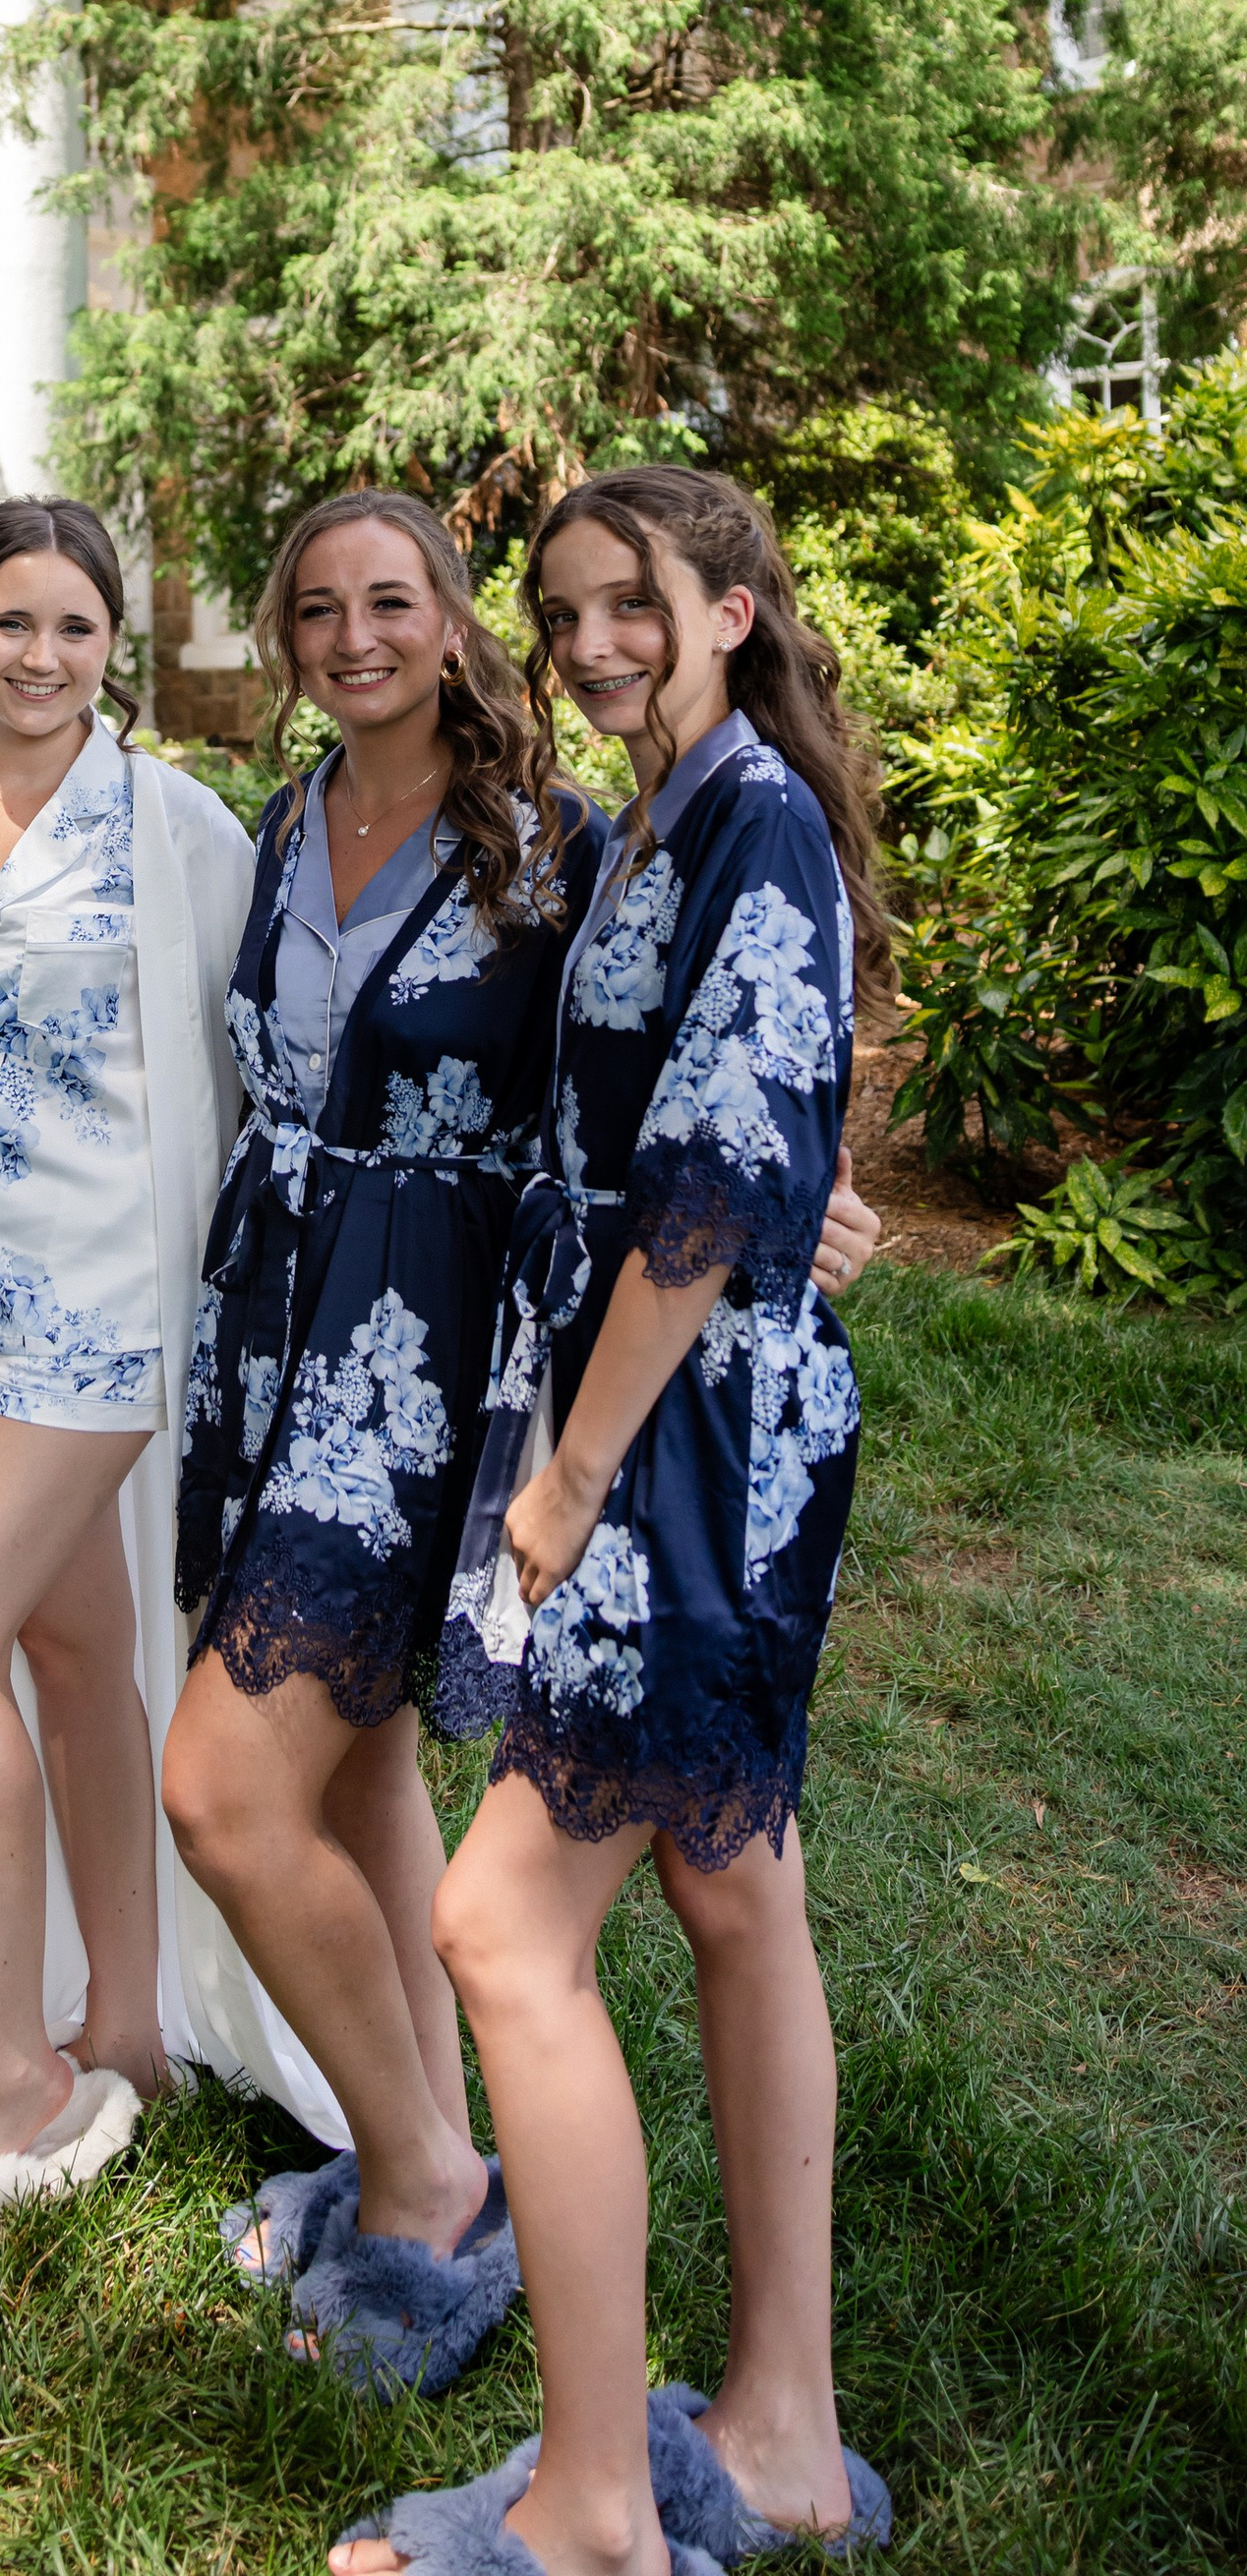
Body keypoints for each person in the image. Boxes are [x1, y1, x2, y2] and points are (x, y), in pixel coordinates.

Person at [338, 466, 897, 2576]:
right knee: (732, 1887)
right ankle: (776, 2430)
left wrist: (565, 1479)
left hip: (671, 1443)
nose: (585, 643)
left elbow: (694, 1186)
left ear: (733, 607)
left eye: (628, 605)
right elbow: (724, 1143)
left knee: (498, 1927)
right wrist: (791, 1209)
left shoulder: (745, 817)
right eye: (558, 611)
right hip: (696, 1407)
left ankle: (590, 2512)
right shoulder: (664, 817)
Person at [0, 495, 328, 2247]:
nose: (42, 659)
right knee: (66, 1642)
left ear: (115, 648)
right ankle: (123, 2018)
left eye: (77, 630)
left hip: (113, 1310)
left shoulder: (180, 832)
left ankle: (10, 2081)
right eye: (11, 623)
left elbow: (297, 1040)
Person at [162, 491, 598, 2400]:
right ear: (285, 636)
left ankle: (427, 2184)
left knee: (224, 1792)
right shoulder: (280, 825)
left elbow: (666, 1065)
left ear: (448, 626)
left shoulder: (544, 847)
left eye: (388, 603)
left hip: (421, 1356)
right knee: (352, 1780)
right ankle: (415, 2132)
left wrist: (809, 1200)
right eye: (318, 609)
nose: (352, 636)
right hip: (272, 1323)